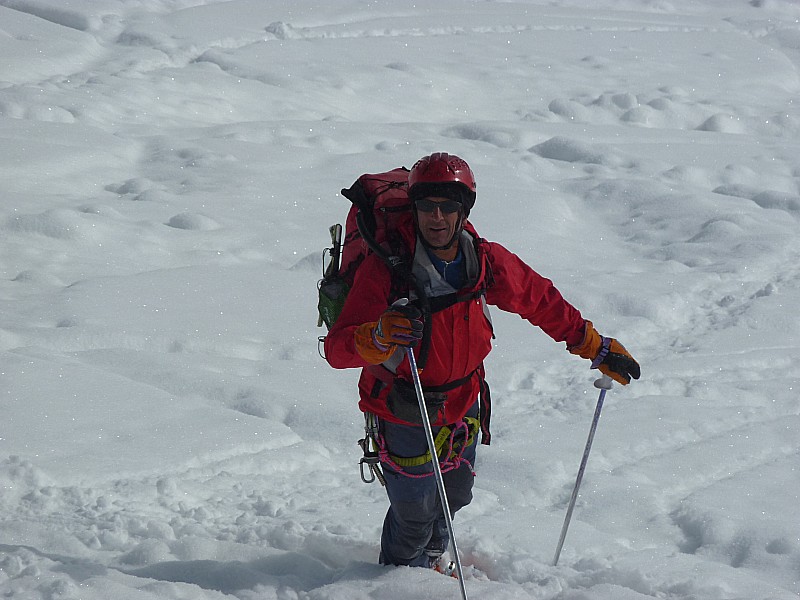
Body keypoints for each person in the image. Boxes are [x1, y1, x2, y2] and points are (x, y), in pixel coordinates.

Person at [324, 152, 640, 570]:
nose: (437, 217)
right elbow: (337, 349)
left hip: (464, 405)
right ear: (415, 208)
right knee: (414, 518)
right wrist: (377, 336)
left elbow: (539, 300)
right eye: (427, 206)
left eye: (448, 206)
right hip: (404, 410)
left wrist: (594, 346)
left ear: (464, 210)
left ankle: (430, 564)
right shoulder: (387, 270)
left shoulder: (483, 260)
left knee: (454, 497)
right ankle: (399, 582)